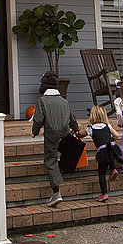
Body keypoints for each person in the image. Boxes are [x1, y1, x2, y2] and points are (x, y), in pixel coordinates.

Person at [31, 70, 78, 207]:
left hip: (51, 135)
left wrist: (35, 132)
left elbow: (38, 120)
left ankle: (56, 193)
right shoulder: (64, 101)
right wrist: (76, 128)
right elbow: (72, 119)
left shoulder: (42, 101)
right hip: (64, 134)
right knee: (59, 154)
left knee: (50, 161)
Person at [78, 105, 123, 202]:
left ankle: (104, 193)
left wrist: (77, 132)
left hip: (102, 150)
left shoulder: (91, 128)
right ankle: (113, 169)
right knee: (110, 154)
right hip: (111, 146)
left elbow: (81, 135)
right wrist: (112, 139)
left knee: (101, 172)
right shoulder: (107, 126)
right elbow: (116, 135)